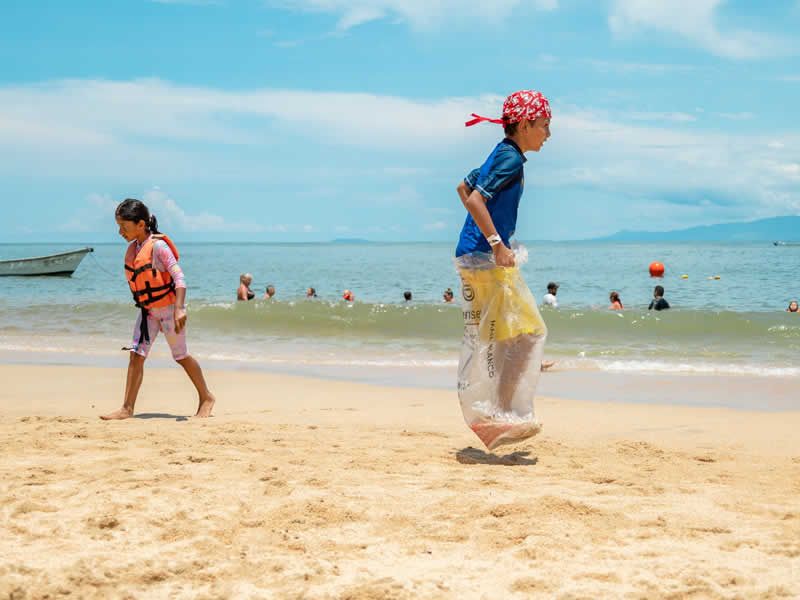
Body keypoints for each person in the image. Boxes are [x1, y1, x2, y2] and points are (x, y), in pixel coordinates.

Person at [455, 89, 552, 450]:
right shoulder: (510, 159)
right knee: (525, 334)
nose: (548, 134)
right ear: (525, 124)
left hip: (475, 256)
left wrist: (486, 238)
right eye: (544, 126)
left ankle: (495, 413)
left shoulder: (502, 153)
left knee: (506, 336)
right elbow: (477, 198)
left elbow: (464, 187)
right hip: (483, 260)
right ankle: (499, 414)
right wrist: (496, 244)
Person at [101, 198, 215, 420]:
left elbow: (179, 277)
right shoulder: (133, 250)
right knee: (136, 355)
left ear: (141, 224)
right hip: (148, 313)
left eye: (124, 227)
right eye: (118, 227)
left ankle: (206, 396)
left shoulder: (159, 247)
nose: (120, 232)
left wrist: (179, 309)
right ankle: (127, 408)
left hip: (170, 309)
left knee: (181, 356)